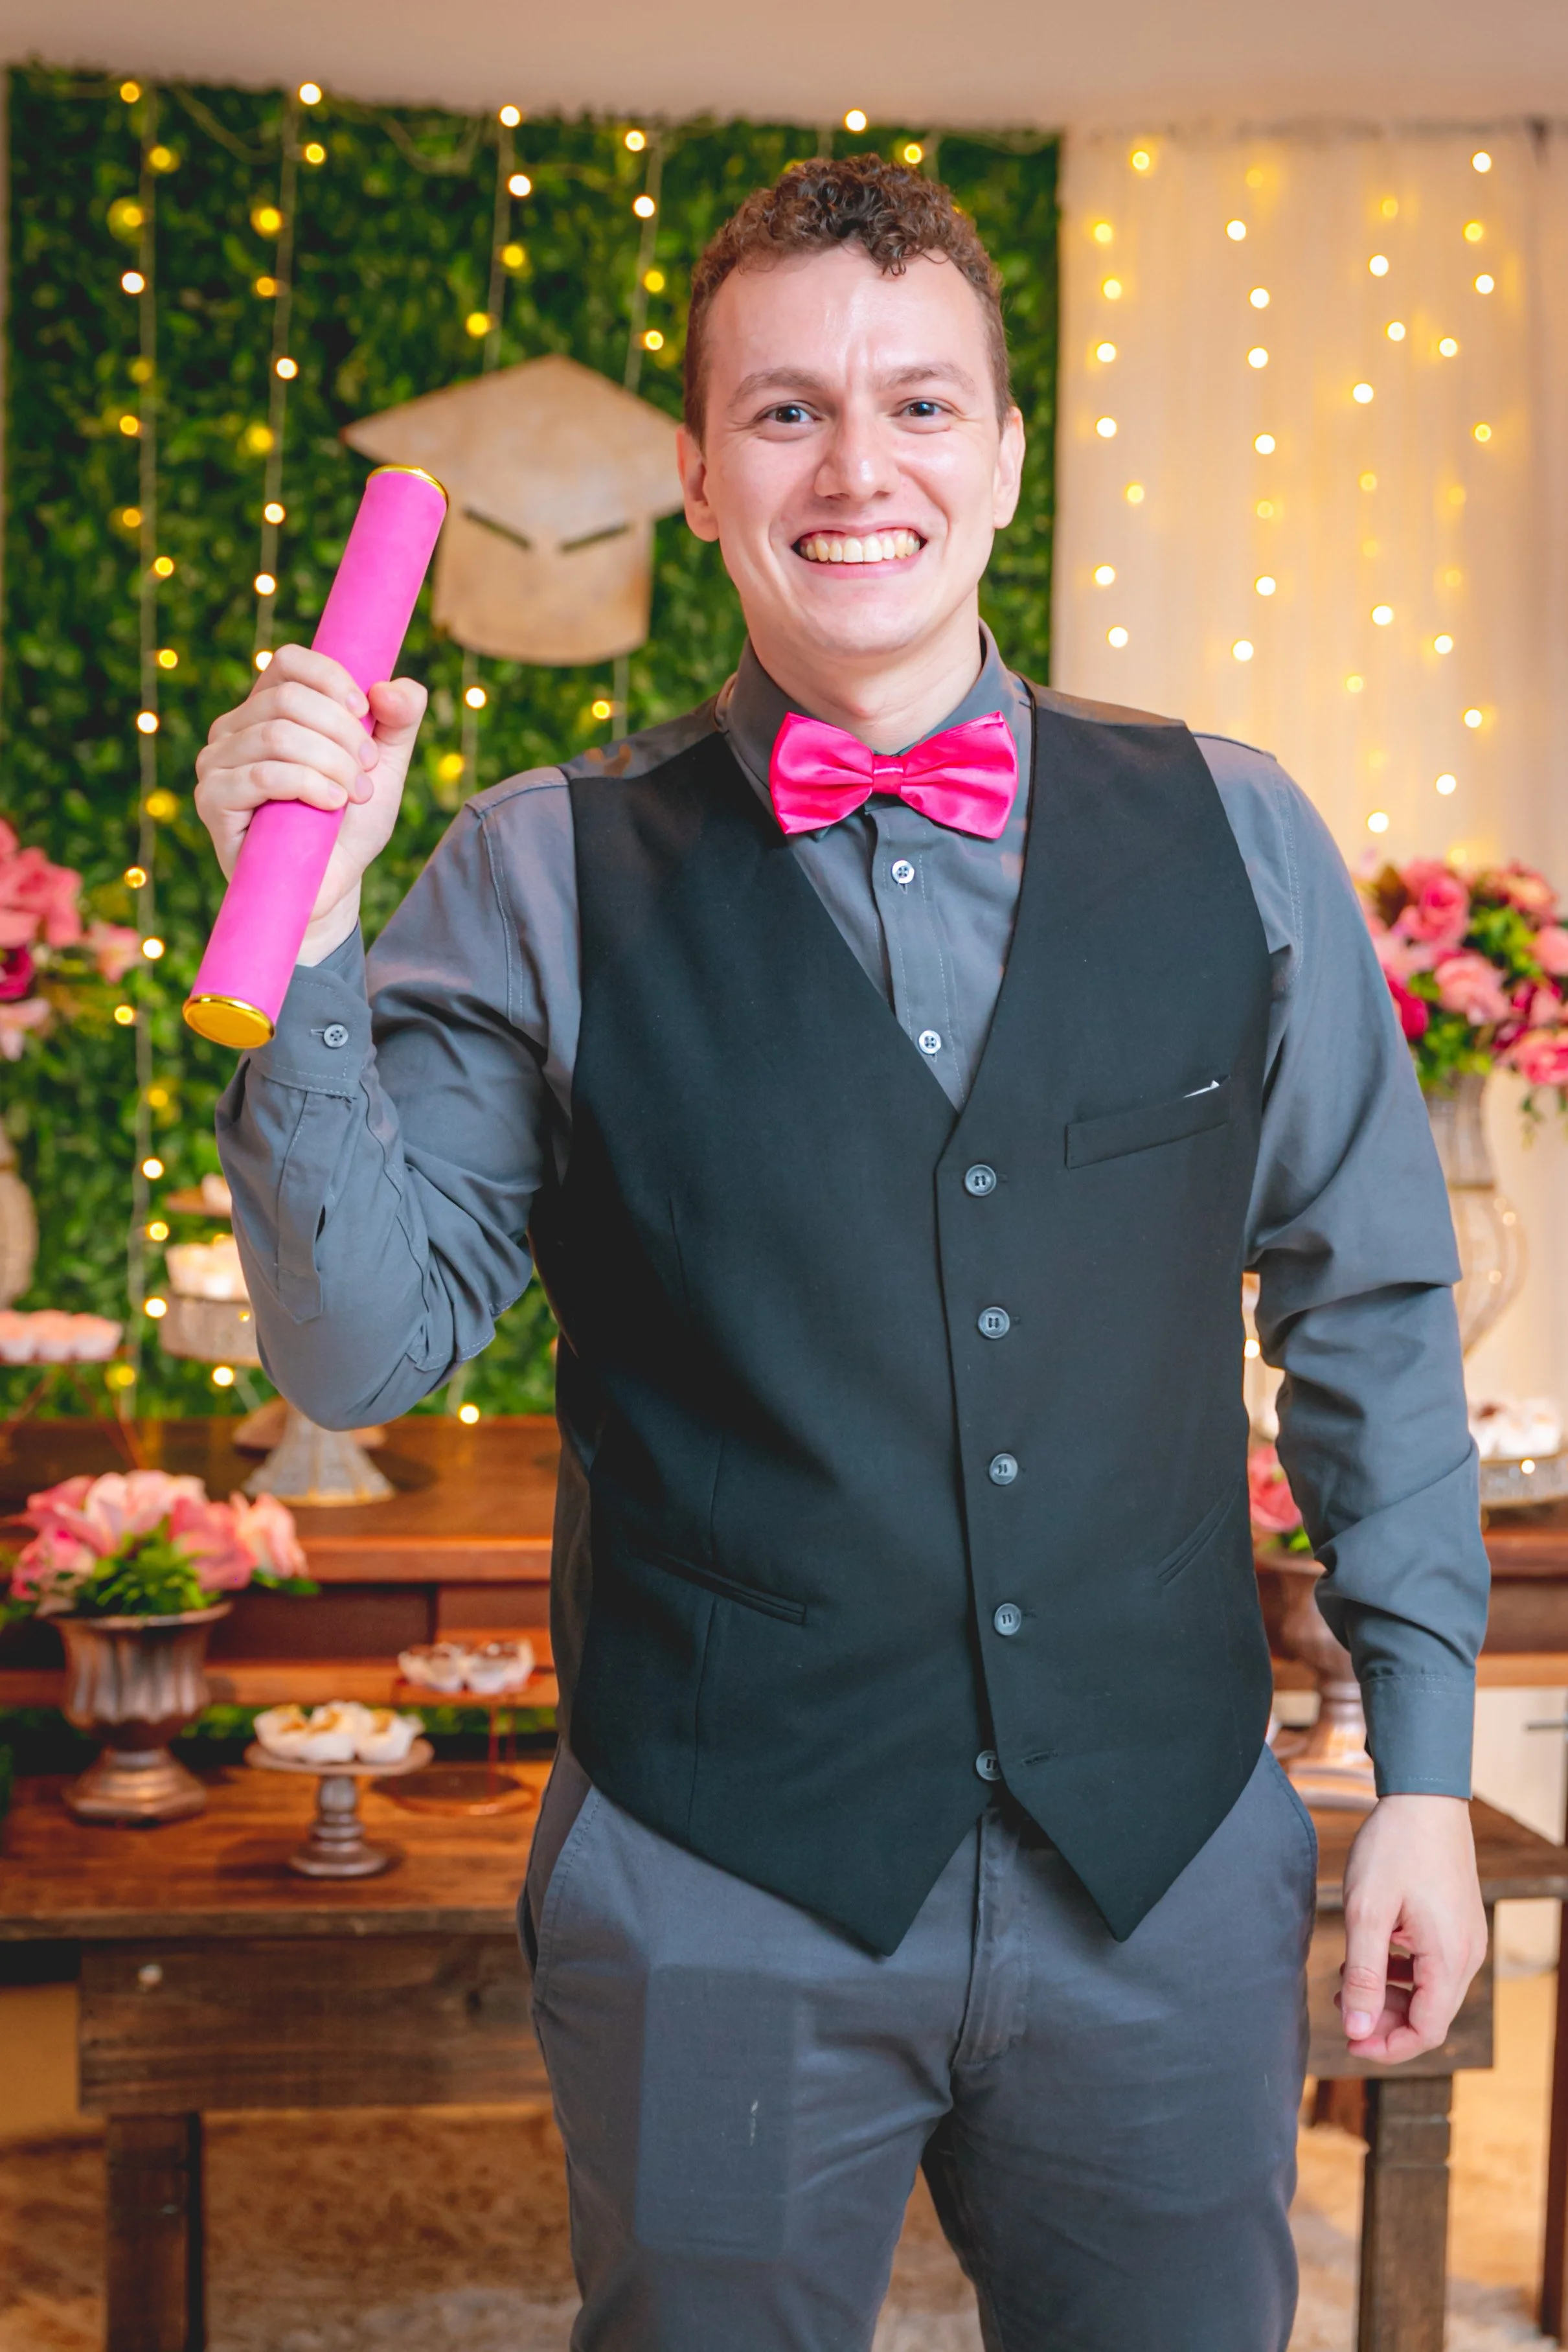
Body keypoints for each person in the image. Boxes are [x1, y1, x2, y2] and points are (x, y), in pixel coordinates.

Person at [197, 155, 1489, 2352]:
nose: (855, 468)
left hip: (1165, 1870)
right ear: (698, 473)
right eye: (786, 409)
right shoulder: (532, 870)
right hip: (717, 1883)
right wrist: (308, 947)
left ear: (1004, 454)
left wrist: (1424, 1778)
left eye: (917, 404)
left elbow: (1364, 1303)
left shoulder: (1238, 827)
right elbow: (357, 1355)